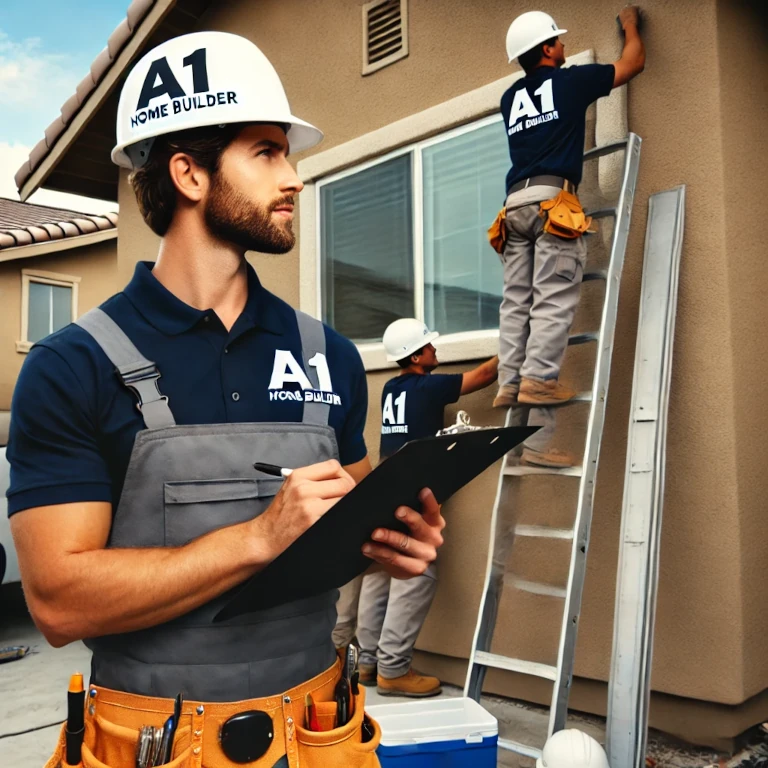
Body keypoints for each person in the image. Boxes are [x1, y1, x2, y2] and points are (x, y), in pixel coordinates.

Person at [7, 32, 445, 768]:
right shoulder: (72, 365)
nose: (295, 178)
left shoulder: (327, 354)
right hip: (154, 743)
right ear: (189, 173)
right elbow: (58, 601)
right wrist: (254, 538)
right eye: (267, 152)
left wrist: (386, 546)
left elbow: (342, 523)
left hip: (319, 733)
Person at [494, 7, 645, 468]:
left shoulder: (508, 99)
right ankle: (537, 398)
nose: (562, 44)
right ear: (545, 49)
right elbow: (634, 63)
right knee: (553, 302)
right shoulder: (571, 82)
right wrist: (631, 27)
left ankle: (509, 379)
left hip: (513, 207)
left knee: (517, 302)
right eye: (556, 39)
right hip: (552, 203)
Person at [354, 318, 497, 697]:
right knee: (416, 572)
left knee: (380, 571)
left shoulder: (390, 387)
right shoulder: (428, 386)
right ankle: (393, 669)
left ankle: (367, 662)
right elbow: (482, 376)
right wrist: (519, 340)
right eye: (429, 346)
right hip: (410, 491)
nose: (436, 350)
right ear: (415, 356)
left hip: (385, 483)